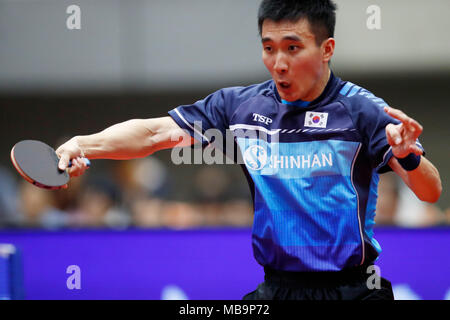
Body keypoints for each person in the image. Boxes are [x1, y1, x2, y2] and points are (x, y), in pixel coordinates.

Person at [55, 0, 442, 300]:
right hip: (277, 288)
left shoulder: (362, 110)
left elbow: (430, 191)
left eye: (293, 48)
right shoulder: (241, 108)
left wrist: (409, 156)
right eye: (269, 48)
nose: (279, 63)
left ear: (327, 49)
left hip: (354, 289)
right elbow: (155, 133)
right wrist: (83, 143)